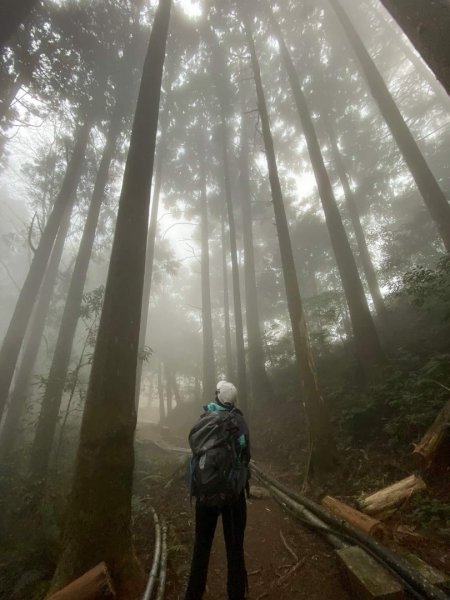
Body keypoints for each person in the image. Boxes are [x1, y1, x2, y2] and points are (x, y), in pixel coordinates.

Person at [184, 381, 250, 600]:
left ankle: (193, 594)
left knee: (201, 548)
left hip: (205, 494)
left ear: (217, 397)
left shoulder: (204, 420)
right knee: (234, 549)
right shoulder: (238, 421)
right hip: (233, 496)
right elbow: (246, 456)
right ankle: (236, 595)